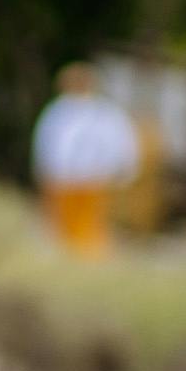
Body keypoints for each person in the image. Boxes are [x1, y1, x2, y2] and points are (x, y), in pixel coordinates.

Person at [31, 59, 141, 257]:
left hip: (95, 178)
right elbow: (46, 144)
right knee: (62, 229)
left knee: (92, 229)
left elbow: (120, 142)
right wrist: (45, 170)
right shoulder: (57, 112)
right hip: (63, 179)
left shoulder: (104, 113)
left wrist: (122, 170)